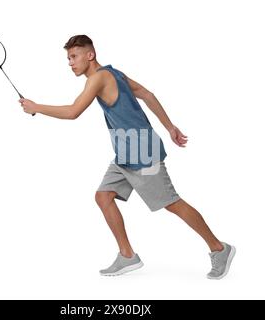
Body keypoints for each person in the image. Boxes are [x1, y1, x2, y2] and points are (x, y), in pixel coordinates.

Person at [19, 35, 236, 280]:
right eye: (68, 58)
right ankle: (128, 255)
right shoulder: (115, 73)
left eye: (73, 56)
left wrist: (36, 107)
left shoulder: (98, 78)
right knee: (103, 196)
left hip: (142, 152)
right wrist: (169, 127)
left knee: (172, 203)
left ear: (90, 55)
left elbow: (73, 112)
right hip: (124, 154)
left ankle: (219, 248)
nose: (70, 63)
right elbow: (146, 93)